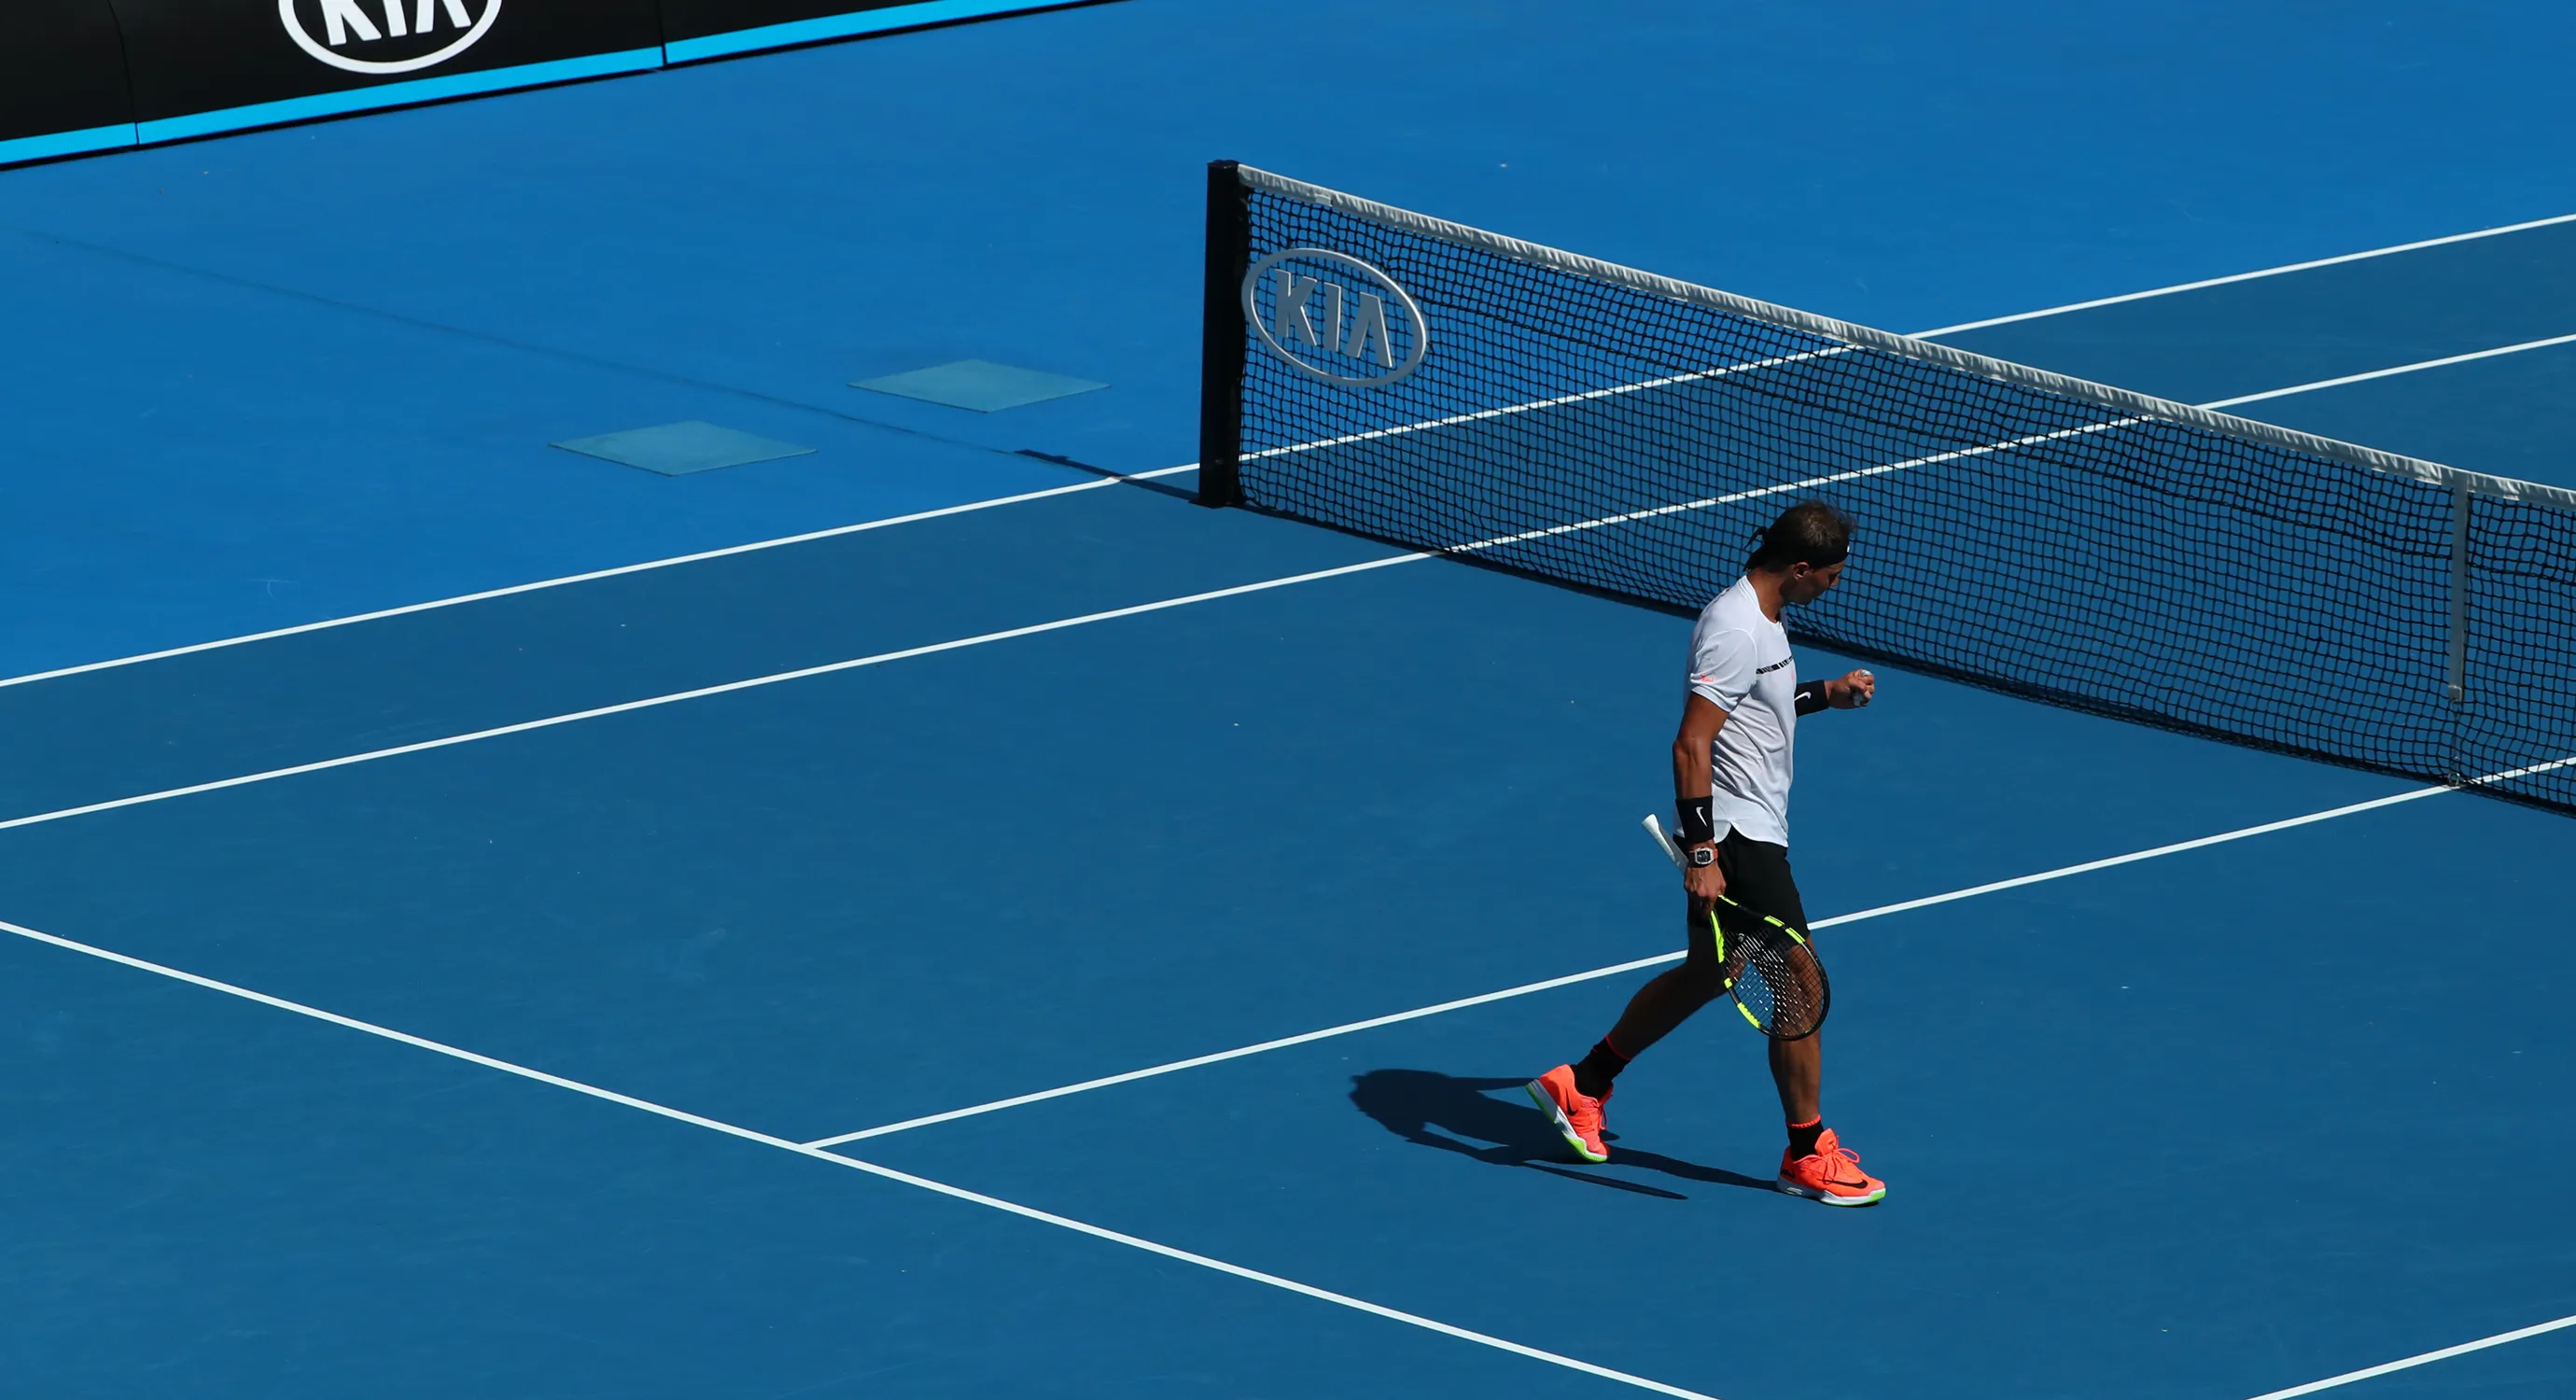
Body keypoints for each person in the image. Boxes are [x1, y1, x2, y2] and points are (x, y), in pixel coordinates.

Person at [1527, 499, 1886, 1206]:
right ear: (1801, 567)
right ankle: (1809, 1151)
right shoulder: (1734, 628)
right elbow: (1692, 743)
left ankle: (1582, 1084)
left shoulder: (1766, 622)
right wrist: (1701, 853)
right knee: (1800, 989)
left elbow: (1762, 703)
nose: (1835, 587)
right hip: (1737, 833)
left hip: (1749, 825)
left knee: (1708, 973)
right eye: (1832, 576)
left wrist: (1826, 695)